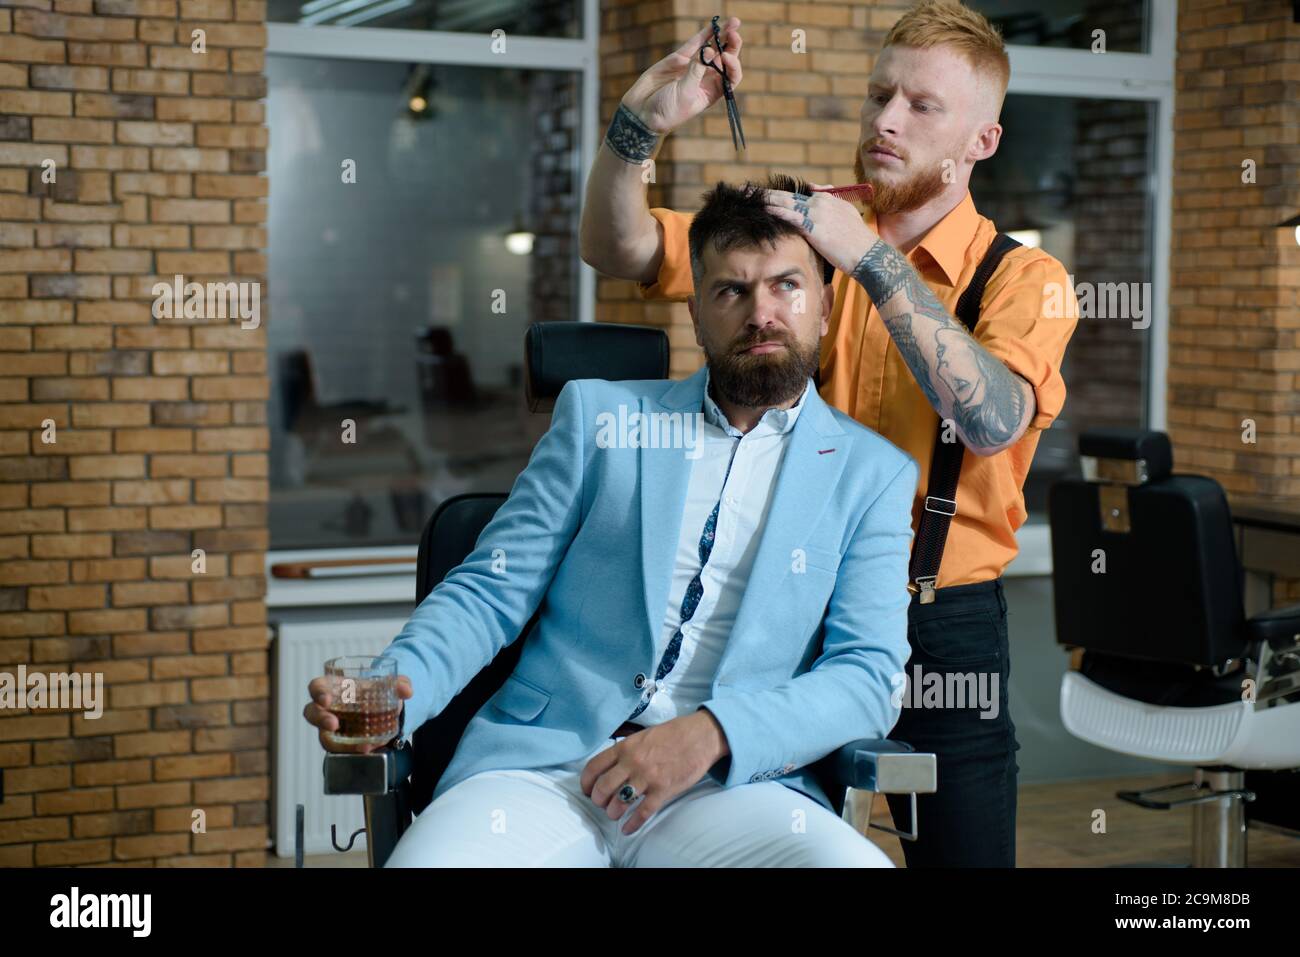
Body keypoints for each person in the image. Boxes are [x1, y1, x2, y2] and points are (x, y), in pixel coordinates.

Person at [579, 1, 1079, 867]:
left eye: (923, 106)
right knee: (778, 847)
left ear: (981, 143)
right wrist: (636, 129)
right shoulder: (803, 239)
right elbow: (618, 247)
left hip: (943, 622)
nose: (886, 119)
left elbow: (990, 418)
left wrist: (872, 261)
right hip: (791, 605)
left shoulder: (1028, 279)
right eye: (880, 94)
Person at [304, 173, 920, 867]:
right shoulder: (602, 419)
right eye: (731, 290)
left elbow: (867, 675)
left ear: (826, 306)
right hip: (546, 770)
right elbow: (488, 592)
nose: (761, 313)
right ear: (694, 313)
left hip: (729, 785)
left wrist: (710, 733)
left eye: (787, 285)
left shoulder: (872, 473)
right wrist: (391, 690)